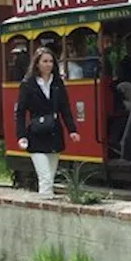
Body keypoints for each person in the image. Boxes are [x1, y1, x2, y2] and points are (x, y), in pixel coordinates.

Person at [15, 47, 80, 196]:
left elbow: (65, 108)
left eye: (51, 61)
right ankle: (46, 210)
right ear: (37, 63)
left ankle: (45, 205)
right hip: (36, 134)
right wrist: (21, 136)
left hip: (54, 133)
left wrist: (72, 130)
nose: (48, 64)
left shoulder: (57, 83)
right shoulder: (28, 84)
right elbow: (20, 112)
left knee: (50, 177)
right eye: (45, 61)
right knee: (44, 177)